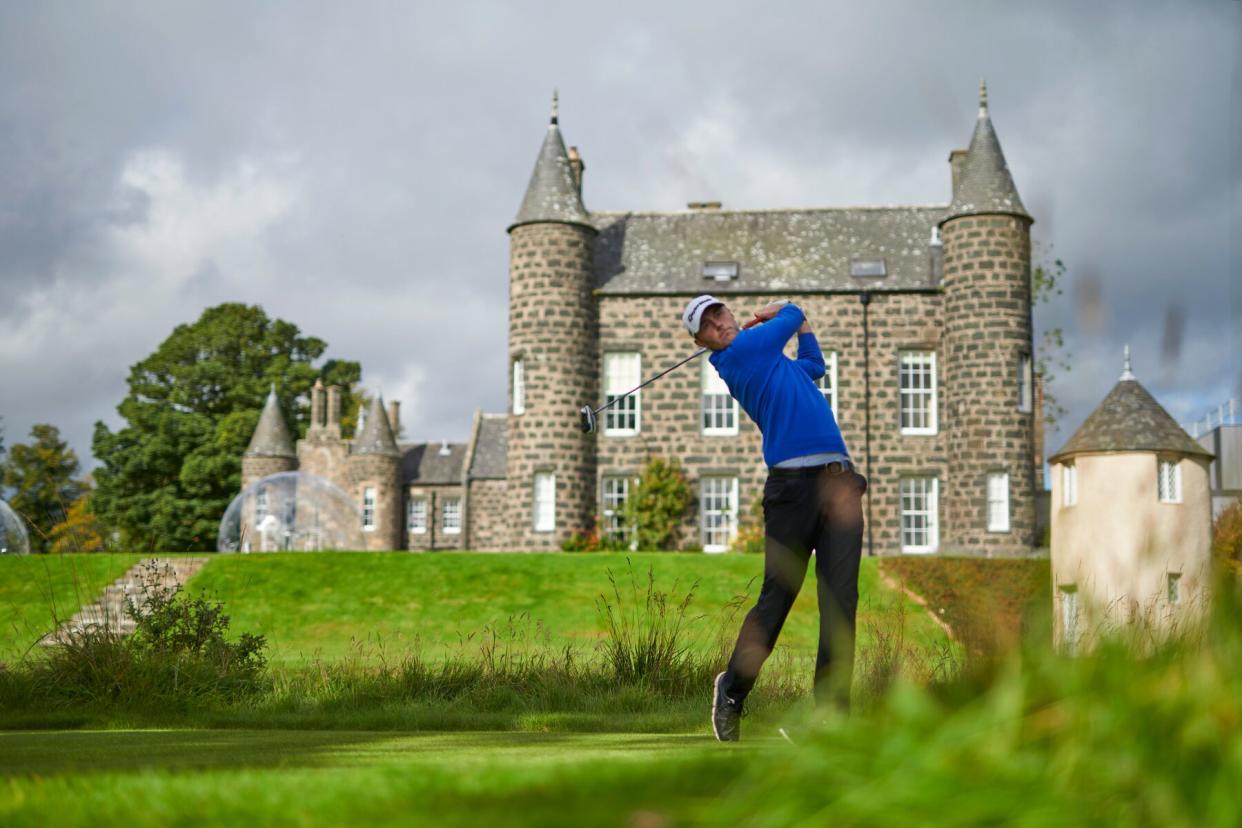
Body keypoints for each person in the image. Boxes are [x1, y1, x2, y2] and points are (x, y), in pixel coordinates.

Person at [681, 294, 866, 742]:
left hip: (838, 481)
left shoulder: (771, 361)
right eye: (707, 325)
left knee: (841, 601)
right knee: (777, 599)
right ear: (703, 341)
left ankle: (831, 713)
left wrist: (801, 327)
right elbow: (792, 315)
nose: (720, 325)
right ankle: (732, 689)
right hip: (792, 490)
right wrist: (781, 309)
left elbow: (814, 366)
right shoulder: (741, 354)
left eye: (720, 313)